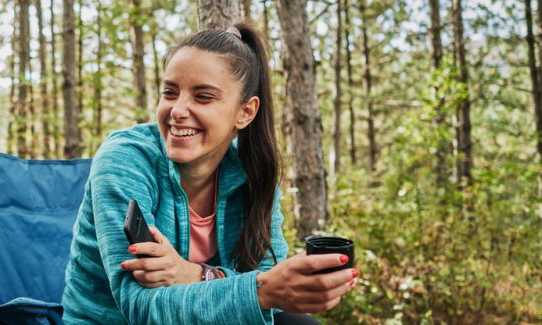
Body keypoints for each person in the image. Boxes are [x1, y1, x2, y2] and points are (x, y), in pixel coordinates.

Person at [61, 24, 358, 324]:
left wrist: (193, 274)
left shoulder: (252, 171)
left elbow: (267, 275)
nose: (177, 110)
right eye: (170, 92)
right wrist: (257, 291)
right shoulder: (124, 160)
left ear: (245, 112)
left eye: (202, 97)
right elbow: (140, 306)